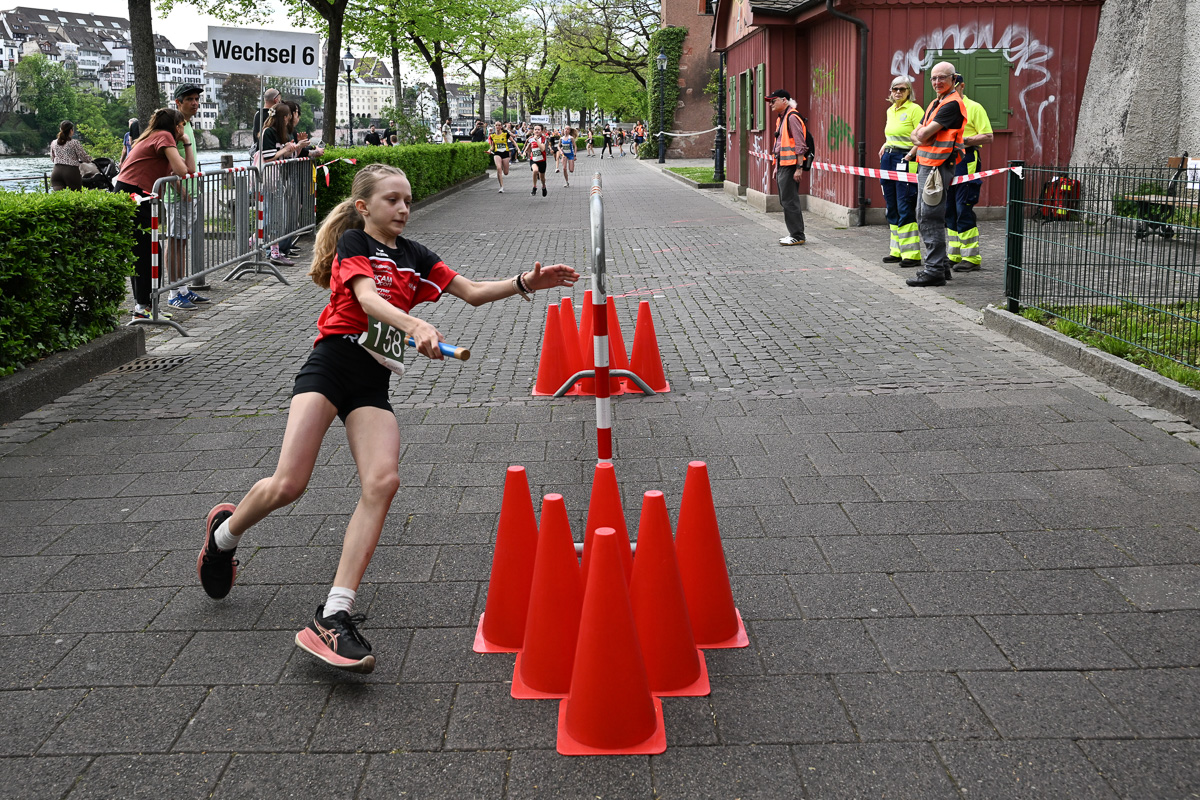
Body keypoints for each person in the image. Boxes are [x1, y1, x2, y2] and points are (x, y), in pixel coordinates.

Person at [196, 163, 579, 673]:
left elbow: (471, 291)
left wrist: (525, 282)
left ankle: (333, 615)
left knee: (383, 482)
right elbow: (367, 298)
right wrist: (414, 323)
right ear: (364, 207)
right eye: (392, 200)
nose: (403, 209)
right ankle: (223, 538)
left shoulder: (416, 256)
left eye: (408, 201)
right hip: (331, 366)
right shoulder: (354, 243)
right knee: (289, 484)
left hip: (372, 382)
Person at [113, 107, 191, 320]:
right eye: (182, 125)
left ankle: (146, 305)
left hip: (135, 192)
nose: (183, 129)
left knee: (149, 250)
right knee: (145, 251)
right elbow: (182, 171)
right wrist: (185, 141)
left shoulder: (156, 136)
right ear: (175, 126)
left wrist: (182, 191)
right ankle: (142, 307)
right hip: (134, 194)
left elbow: (187, 170)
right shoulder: (164, 136)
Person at [906, 61, 967, 288]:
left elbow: (921, 134)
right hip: (929, 164)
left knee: (929, 216)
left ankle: (934, 271)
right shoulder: (936, 102)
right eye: (933, 78)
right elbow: (917, 133)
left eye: (942, 77)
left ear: (954, 79)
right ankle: (940, 266)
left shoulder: (951, 104)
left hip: (938, 166)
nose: (937, 82)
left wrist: (920, 137)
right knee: (925, 214)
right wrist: (919, 137)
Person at [164, 85, 208, 311]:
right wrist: (181, 191)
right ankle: (173, 293)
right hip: (178, 196)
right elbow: (169, 162)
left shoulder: (186, 124)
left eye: (197, 99)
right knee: (174, 241)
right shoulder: (174, 126)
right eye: (189, 99)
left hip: (189, 193)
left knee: (182, 242)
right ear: (178, 102)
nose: (195, 103)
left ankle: (182, 288)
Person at [946, 74, 994, 272]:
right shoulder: (944, 107)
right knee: (949, 209)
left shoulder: (974, 107)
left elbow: (988, 136)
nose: (950, 91)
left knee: (962, 208)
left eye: (953, 87)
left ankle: (971, 258)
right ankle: (954, 255)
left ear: (961, 86)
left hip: (966, 160)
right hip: (946, 160)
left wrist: (964, 141)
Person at [879, 78, 923, 268]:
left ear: (909, 91)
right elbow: (893, 133)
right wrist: (886, 144)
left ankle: (911, 254)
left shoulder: (915, 110)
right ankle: (896, 251)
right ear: (891, 91)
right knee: (891, 205)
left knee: (905, 203)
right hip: (889, 158)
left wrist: (910, 154)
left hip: (905, 158)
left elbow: (923, 137)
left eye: (902, 89)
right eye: (895, 89)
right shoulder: (891, 110)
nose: (898, 92)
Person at [257, 104, 300, 266]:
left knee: (276, 216)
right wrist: (285, 149)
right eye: (288, 116)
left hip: (277, 178)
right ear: (284, 118)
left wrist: (294, 148)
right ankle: (271, 251)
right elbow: (268, 156)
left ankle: (263, 246)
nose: (289, 119)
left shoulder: (279, 132)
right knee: (272, 216)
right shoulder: (268, 132)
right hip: (269, 179)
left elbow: (284, 155)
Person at [766, 89, 808, 246]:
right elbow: (779, 145)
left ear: (784, 100)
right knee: (786, 200)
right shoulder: (782, 118)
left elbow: (800, 144)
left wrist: (799, 167)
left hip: (790, 166)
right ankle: (794, 233)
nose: (771, 104)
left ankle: (797, 235)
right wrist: (776, 167)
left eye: (773, 100)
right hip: (783, 165)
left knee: (790, 200)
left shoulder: (792, 117)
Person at [49, 120, 92, 191]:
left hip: (56, 171)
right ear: (71, 130)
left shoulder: (54, 142)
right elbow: (83, 157)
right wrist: (91, 160)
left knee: (59, 196)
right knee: (76, 194)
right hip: (71, 171)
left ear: (60, 129)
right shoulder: (74, 143)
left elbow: (52, 158)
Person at [251, 88, 281, 157]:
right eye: (280, 100)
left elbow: (255, 133)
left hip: (259, 153)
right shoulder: (275, 115)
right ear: (276, 100)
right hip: (272, 153)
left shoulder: (257, 114)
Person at [523, 123, 550, 196]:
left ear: (541, 131)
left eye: (538, 129)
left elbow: (542, 149)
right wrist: (524, 152)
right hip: (534, 159)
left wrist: (537, 140)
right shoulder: (531, 139)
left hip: (542, 160)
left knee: (542, 178)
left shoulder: (543, 139)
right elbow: (528, 146)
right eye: (535, 129)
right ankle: (534, 187)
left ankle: (543, 186)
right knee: (535, 170)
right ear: (533, 131)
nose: (537, 131)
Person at [486, 122, 511, 193]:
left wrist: (518, 149)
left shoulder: (505, 134)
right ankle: (501, 186)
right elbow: (493, 146)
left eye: (499, 125)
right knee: (498, 168)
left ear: (501, 126)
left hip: (505, 153)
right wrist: (489, 150)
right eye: (496, 125)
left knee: (506, 172)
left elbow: (513, 141)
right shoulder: (492, 135)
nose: (497, 126)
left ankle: (503, 166)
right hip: (497, 153)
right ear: (494, 126)